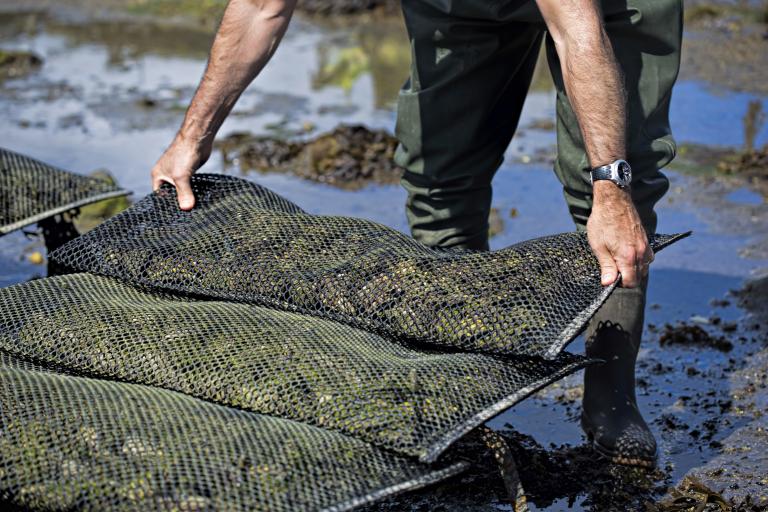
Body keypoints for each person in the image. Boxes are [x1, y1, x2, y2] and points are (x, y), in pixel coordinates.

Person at [151, 0, 682, 468]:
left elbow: (578, 30)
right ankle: (463, 377)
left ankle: (612, 395)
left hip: (604, 8)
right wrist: (191, 137)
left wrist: (611, 187)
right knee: (438, 174)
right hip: (460, 8)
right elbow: (260, 8)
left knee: (618, 181)